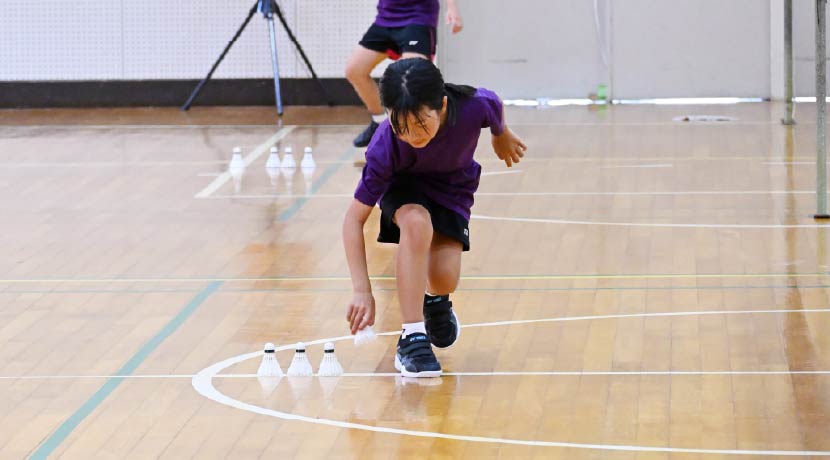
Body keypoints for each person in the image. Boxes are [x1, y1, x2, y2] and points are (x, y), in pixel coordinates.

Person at [342, 58, 527, 377]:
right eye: (402, 127)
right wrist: (362, 290)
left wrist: (501, 133)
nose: (413, 136)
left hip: (452, 188)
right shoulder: (385, 146)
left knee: (445, 278)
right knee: (416, 223)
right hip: (404, 187)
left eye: (421, 124)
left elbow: (493, 102)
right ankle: (412, 337)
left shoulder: (471, 108)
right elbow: (353, 221)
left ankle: (434, 300)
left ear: (441, 105)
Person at [345, 0, 463, 148]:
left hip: (418, 17)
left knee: (415, 77)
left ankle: (434, 132)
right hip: (386, 18)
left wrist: (452, 8)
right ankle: (380, 122)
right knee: (354, 70)